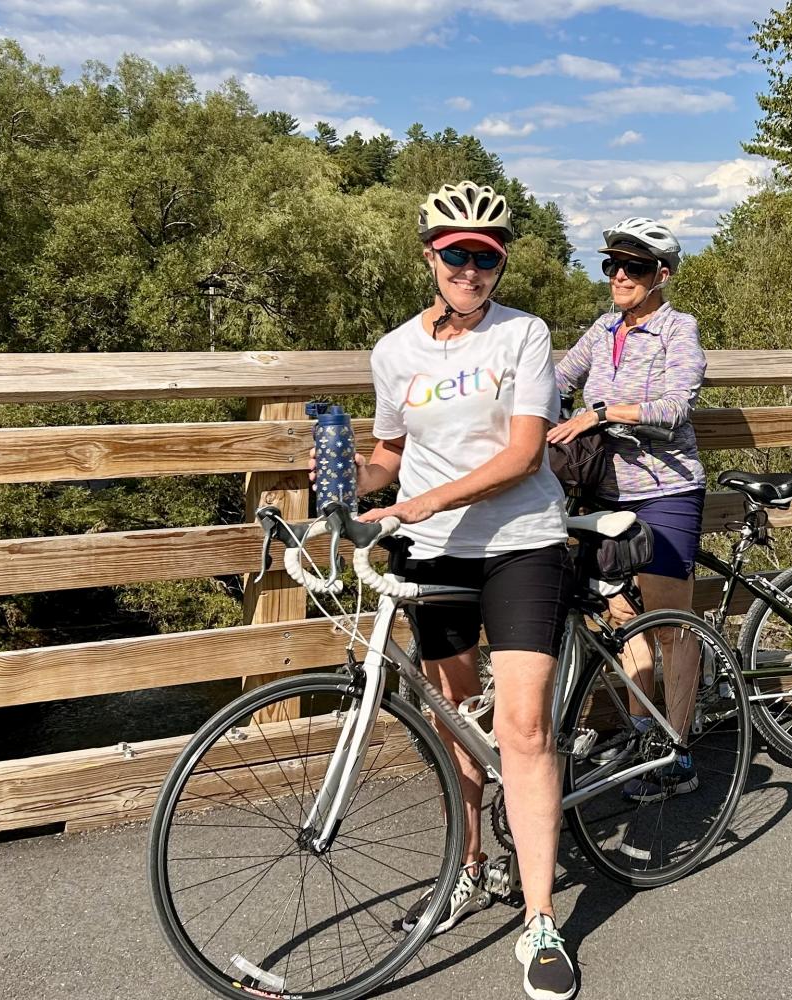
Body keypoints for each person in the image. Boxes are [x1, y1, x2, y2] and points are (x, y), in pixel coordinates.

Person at [330, 181, 578, 999]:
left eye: (485, 256)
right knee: (455, 722)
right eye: (455, 255)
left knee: (522, 727)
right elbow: (390, 458)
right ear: (429, 258)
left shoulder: (525, 336)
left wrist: (429, 500)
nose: (470, 270)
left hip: (518, 545)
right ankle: (466, 870)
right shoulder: (394, 351)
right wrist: (346, 481)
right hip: (432, 555)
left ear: (501, 262)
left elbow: (524, 456)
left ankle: (540, 919)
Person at [547, 217, 708, 798]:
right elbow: (554, 378)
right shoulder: (603, 329)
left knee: (671, 626)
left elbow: (676, 405)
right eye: (612, 264)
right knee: (621, 618)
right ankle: (646, 733)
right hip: (608, 495)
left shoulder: (676, 330)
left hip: (666, 489)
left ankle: (680, 750)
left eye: (633, 267)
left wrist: (602, 411)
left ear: (661, 275)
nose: (618, 275)